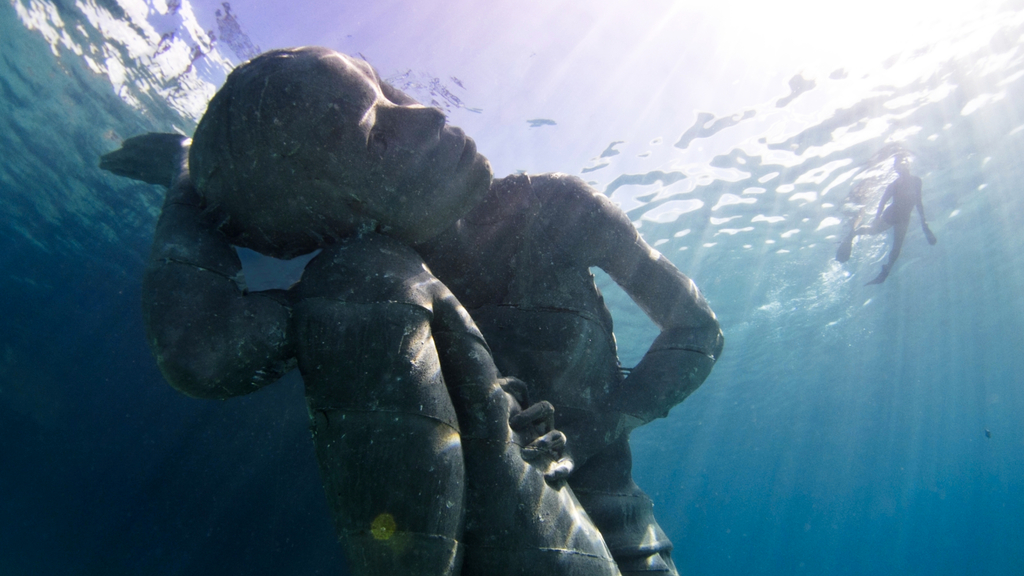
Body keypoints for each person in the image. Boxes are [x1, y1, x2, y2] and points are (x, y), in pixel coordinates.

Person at [103, 47, 619, 576]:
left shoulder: (550, 203)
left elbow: (699, 335)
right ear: (340, 212)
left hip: (621, 528)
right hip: (569, 541)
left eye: (386, 90)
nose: (430, 113)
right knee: (363, 278)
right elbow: (199, 350)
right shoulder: (368, 279)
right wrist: (185, 172)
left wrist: (589, 432)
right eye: (378, 135)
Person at [836, 154, 937, 284]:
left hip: (904, 218)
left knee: (897, 248)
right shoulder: (894, 185)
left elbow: (918, 202)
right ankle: (851, 235)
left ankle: (886, 272)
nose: (903, 167)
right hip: (893, 214)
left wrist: (925, 225)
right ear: (896, 169)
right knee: (873, 231)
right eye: (899, 166)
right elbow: (883, 202)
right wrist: (877, 218)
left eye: (904, 164)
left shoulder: (917, 181)